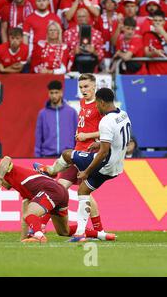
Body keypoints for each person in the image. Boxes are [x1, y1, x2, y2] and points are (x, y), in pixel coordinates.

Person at [37, 88, 131, 242]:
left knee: (67, 154)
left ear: (101, 102)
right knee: (83, 190)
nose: (96, 108)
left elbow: (103, 153)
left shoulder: (105, 121)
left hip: (104, 163)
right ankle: (80, 234)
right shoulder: (123, 114)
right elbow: (121, 139)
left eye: (97, 105)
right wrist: (99, 143)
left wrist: (86, 172)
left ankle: (51, 171)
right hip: (117, 167)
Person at [34, 74, 107, 234]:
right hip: (77, 151)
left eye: (86, 86)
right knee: (78, 191)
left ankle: (41, 226)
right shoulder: (82, 102)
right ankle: (99, 230)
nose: (83, 90)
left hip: (86, 155)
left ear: (94, 86)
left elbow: (107, 131)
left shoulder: (100, 105)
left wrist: (86, 136)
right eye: (81, 87)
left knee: (59, 188)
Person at [0, 157, 114, 243]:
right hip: (60, 192)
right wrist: (23, 239)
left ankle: (39, 235)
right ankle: (102, 235)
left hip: (51, 190)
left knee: (29, 214)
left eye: (2, 183)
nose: (2, 187)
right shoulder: (21, 188)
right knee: (63, 231)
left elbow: (5, 159)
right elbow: (25, 216)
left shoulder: (9, 171)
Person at [34, 80, 78, 158]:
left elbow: (77, 135)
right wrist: (37, 156)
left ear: (61, 92)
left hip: (68, 156)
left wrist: (76, 154)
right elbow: (38, 137)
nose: (54, 96)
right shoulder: (42, 114)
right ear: (48, 93)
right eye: (52, 93)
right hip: (47, 156)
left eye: (56, 92)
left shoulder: (72, 112)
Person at [63, 8, 104, 72]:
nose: (81, 19)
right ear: (76, 19)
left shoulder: (97, 34)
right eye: (79, 17)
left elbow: (101, 55)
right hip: (73, 69)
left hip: (92, 69)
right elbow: (63, 55)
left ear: (88, 18)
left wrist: (94, 52)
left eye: (83, 16)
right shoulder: (68, 33)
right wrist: (74, 52)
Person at [143, 10, 167, 75]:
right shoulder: (147, 35)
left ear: (164, 22)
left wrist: (163, 32)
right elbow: (146, 53)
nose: (157, 23)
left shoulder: (165, 34)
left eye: (160, 21)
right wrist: (154, 53)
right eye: (155, 20)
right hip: (153, 73)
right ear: (152, 22)